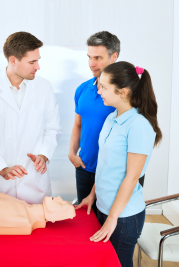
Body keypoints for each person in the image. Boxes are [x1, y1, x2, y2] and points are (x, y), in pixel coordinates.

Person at [76, 62, 162, 267]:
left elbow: (132, 177)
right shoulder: (112, 118)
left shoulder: (138, 126)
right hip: (103, 206)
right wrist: (92, 195)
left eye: (104, 87)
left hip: (123, 217)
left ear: (122, 92)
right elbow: (106, 165)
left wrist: (113, 218)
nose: (98, 90)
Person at [0, 31, 62, 205]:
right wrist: (2, 168)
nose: (38, 67)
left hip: (35, 184)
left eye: (38, 60)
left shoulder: (44, 88)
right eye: (32, 62)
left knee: (38, 230)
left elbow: (52, 129)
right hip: (0, 185)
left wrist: (43, 155)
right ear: (13, 60)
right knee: (2, 229)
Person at [68, 31, 119, 214]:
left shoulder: (125, 94)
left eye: (98, 57)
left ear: (114, 56)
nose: (91, 63)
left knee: (108, 226)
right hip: (84, 167)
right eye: (89, 57)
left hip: (112, 173)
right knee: (85, 224)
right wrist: (72, 152)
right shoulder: (82, 89)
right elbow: (78, 124)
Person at [0, 192, 75, 235]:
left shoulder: (25, 222)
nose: (58, 198)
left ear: (54, 217)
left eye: (62, 204)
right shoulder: (25, 205)